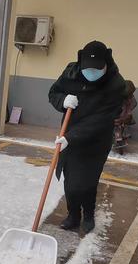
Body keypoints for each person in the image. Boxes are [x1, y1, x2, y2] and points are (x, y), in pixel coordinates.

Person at [49, 40, 126, 233]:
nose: (91, 73)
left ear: (106, 63)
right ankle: (73, 215)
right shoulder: (71, 73)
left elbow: (102, 119)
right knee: (71, 181)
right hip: (71, 137)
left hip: (96, 141)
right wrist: (62, 100)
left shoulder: (115, 84)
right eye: (87, 69)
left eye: (96, 69)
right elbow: (54, 92)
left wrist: (71, 137)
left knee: (88, 181)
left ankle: (89, 214)